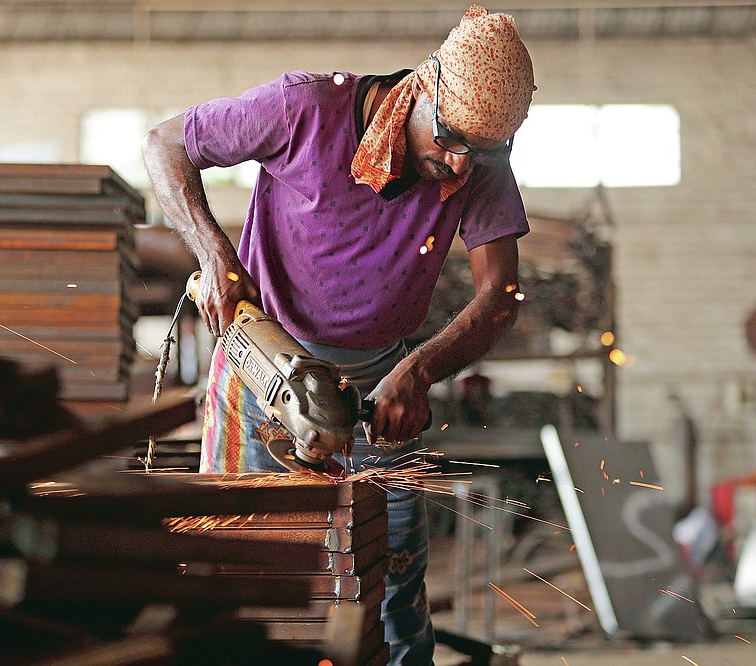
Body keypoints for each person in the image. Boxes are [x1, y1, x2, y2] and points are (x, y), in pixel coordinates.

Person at [142, 5, 535, 664]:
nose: (462, 166)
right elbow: (164, 143)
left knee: (390, 590)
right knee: (238, 569)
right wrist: (214, 257)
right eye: (450, 141)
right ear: (421, 87)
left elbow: (501, 296)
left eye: (484, 153)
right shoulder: (304, 109)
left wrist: (421, 370)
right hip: (261, 376)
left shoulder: (479, 159)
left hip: (378, 392)